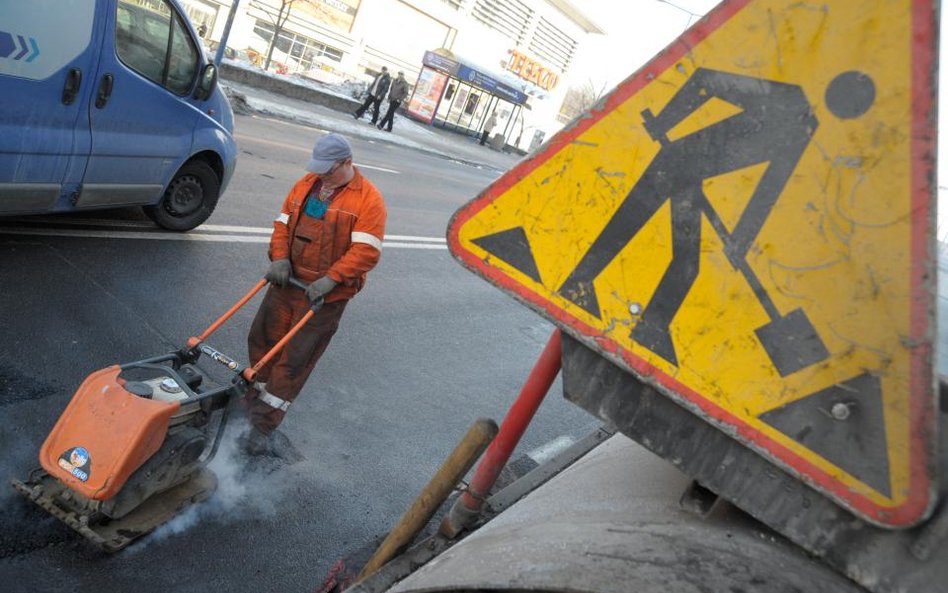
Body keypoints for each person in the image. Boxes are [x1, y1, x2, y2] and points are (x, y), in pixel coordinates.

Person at [242, 133, 387, 455]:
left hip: (322, 297)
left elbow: (366, 251)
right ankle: (251, 403)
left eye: (329, 171)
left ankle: (262, 427)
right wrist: (279, 257)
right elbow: (282, 224)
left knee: (294, 361)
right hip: (287, 283)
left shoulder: (368, 200)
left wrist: (332, 279)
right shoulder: (305, 184)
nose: (322, 176)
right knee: (262, 343)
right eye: (319, 169)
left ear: (347, 163)